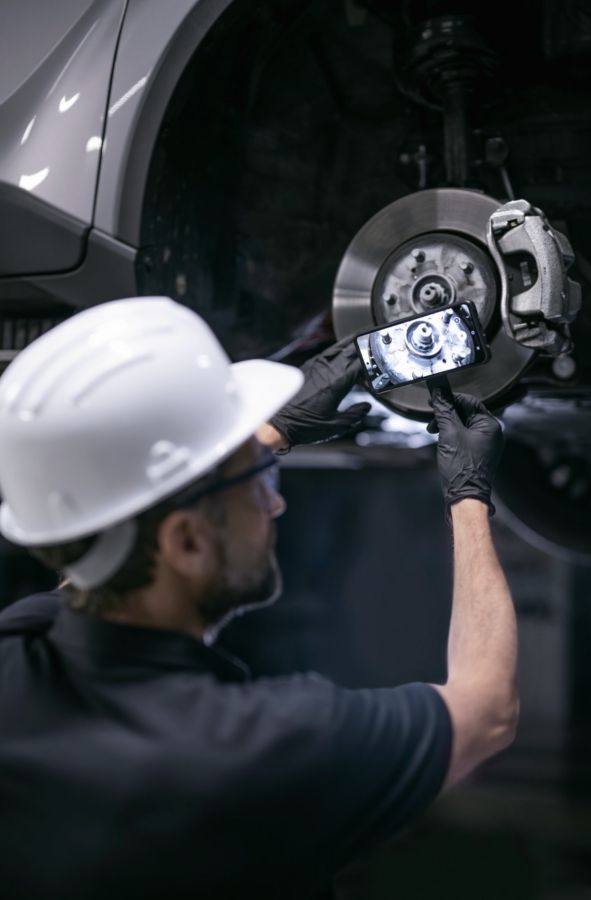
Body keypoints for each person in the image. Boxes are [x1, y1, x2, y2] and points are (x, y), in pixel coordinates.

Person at [0, 296, 517, 900]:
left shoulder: (14, 665)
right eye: (260, 482)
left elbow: (101, 555)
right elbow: (487, 710)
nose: (275, 502)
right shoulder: (257, 749)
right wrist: (469, 494)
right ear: (187, 541)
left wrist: (267, 437)